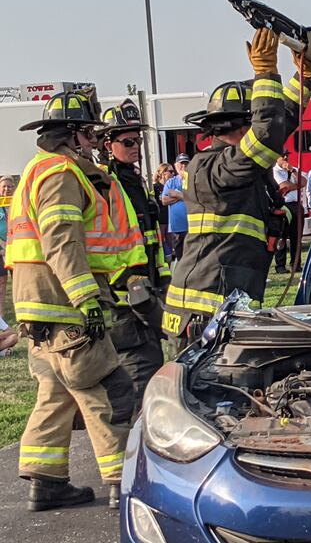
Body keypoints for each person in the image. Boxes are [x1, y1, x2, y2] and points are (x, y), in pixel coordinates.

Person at [10, 91, 137, 510]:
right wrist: (87, 300)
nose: (96, 142)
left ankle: (44, 481)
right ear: (75, 135)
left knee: (56, 389)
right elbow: (61, 241)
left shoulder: (35, 169)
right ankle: (125, 481)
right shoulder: (61, 173)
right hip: (63, 298)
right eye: (90, 134)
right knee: (105, 387)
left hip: (35, 301)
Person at [163, 27, 311, 348]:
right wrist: (266, 74)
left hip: (225, 301)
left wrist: (302, 80)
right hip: (206, 308)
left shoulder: (234, 164)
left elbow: (279, 121)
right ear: (243, 126)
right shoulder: (210, 167)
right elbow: (267, 135)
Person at [97, 99, 171, 413]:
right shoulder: (104, 183)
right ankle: (130, 442)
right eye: (127, 142)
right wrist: (129, 286)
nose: (135, 147)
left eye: (138, 140)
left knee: (153, 361)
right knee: (139, 368)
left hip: (146, 291)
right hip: (122, 297)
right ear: (107, 144)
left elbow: (150, 240)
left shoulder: (133, 181)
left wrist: (163, 281)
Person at [273, 151, 307, 273]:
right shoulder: (274, 171)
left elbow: (304, 182)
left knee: (296, 237)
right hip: (283, 206)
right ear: (277, 157)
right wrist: (296, 185)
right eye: (283, 155)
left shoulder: (293, 170)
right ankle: (280, 265)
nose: (286, 157)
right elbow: (283, 186)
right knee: (281, 236)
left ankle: (296, 264)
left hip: (296, 205)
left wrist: (292, 171)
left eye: (287, 155)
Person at [161, 153, 190, 260]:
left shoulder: (194, 180)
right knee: (180, 257)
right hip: (177, 228)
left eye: (186, 163)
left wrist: (177, 194)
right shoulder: (171, 182)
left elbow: (196, 199)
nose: (183, 166)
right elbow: (164, 200)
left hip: (192, 227)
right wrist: (185, 196)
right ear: (175, 165)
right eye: (181, 164)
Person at [0, 175, 15, 318]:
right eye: (4, 186)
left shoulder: (17, 203)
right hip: (1, 248)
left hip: (16, 247)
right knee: (2, 281)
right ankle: (1, 315)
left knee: (18, 280)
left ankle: (21, 311)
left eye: (9, 186)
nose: (6, 189)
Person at [153, 163, 175, 259]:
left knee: (172, 243)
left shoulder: (172, 186)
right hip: (160, 220)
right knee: (161, 243)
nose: (173, 174)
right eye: (170, 171)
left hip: (170, 219)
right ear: (163, 173)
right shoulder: (155, 187)